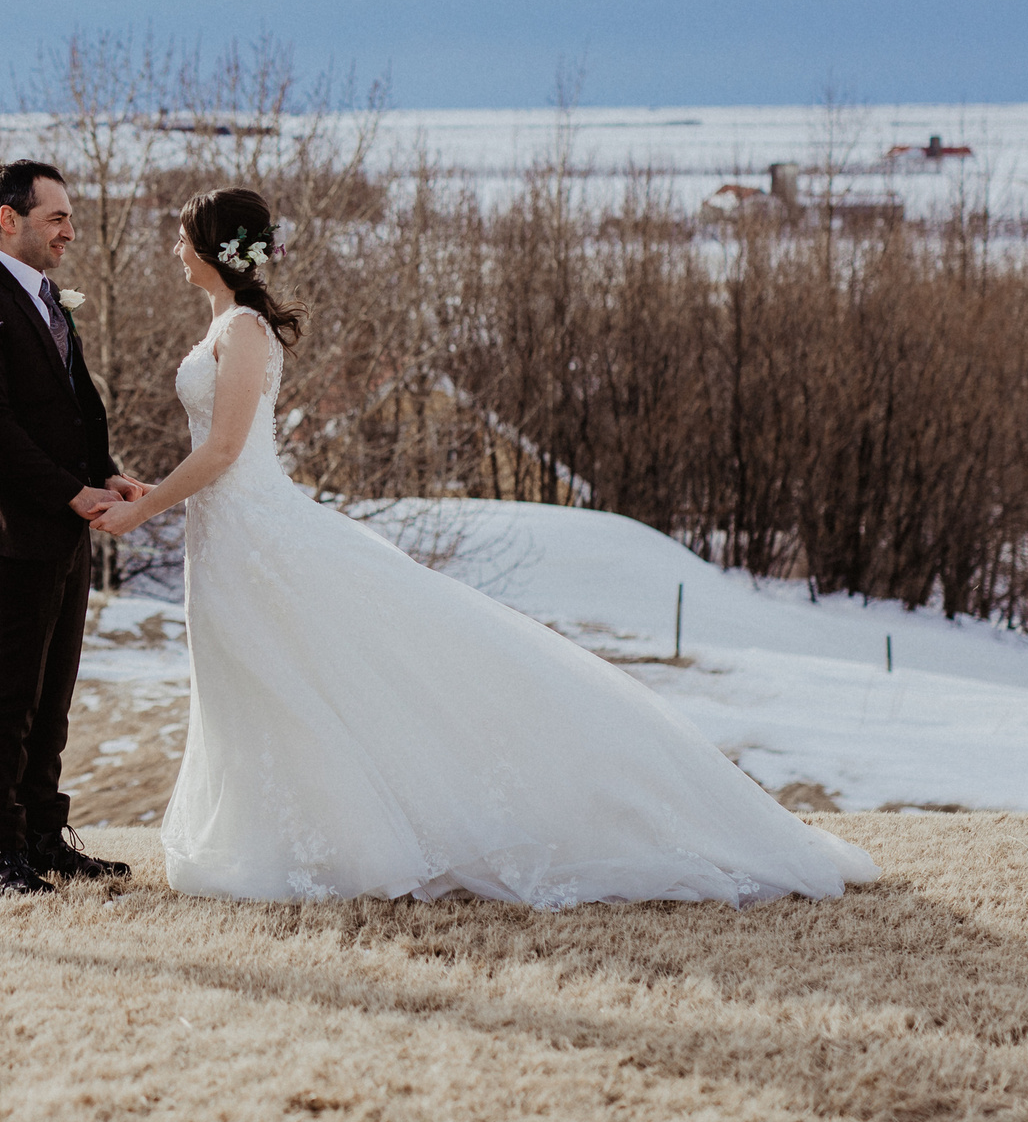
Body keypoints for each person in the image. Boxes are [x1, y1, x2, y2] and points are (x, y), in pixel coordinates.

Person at [91, 187, 881, 908]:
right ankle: (274, 835)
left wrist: (148, 509)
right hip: (226, 533)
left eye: (181, 237)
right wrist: (150, 490)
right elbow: (216, 445)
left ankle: (343, 841)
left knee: (306, 671)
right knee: (257, 679)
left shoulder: (241, 328)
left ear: (213, 247)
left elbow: (228, 449)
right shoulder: (226, 325)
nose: (173, 248)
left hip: (258, 531)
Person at [0, 161, 151, 898]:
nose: (69, 229)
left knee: (53, 695)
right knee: (11, 697)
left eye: (68, 215)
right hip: (15, 531)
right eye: (55, 216)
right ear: (9, 219)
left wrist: (109, 473)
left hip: (67, 528)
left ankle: (42, 836)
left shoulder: (48, 298)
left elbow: (71, 409)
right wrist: (74, 493)